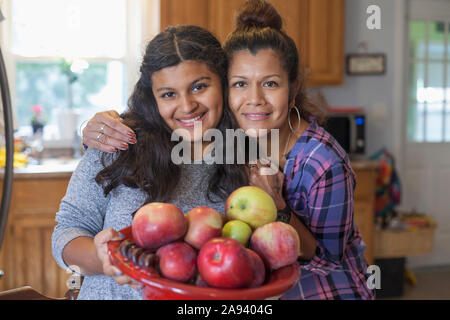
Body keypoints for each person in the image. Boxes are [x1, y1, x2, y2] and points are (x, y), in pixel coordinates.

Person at [85, 0, 375, 300]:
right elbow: (165, 121)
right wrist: (95, 132)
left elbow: (327, 261)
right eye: (240, 84)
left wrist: (278, 205)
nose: (254, 99)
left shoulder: (322, 162)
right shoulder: (236, 138)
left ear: (293, 89)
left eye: (271, 84)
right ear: (225, 88)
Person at [52, 24, 248, 300]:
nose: (187, 105)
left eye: (199, 86)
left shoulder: (247, 156)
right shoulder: (118, 143)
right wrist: (103, 259)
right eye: (168, 94)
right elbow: (67, 232)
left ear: (224, 84)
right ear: (152, 97)